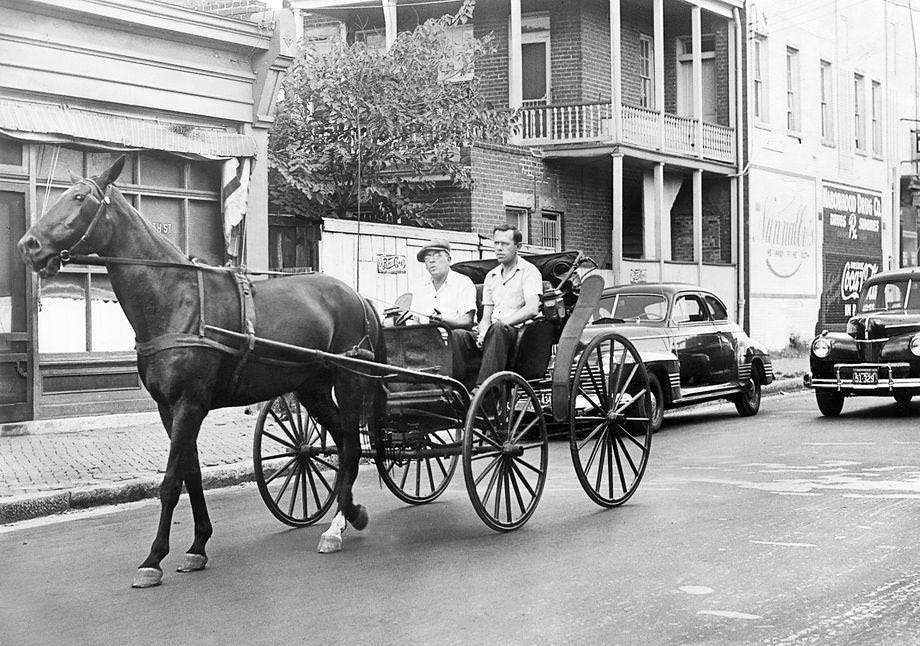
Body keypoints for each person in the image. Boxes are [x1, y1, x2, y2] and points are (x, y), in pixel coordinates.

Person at [452, 224, 542, 388]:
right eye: (496, 243)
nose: (499, 248)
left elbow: (532, 308)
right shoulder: (491, 276)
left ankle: (484, 391)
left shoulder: (529, 272)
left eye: (505, 244)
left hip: (517, 333)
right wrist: (484, 331)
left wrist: (500, 324)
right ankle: (458, 389)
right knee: (459, 335)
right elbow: (486, 316)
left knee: (498, 329)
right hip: (493, 331)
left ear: (518, 247)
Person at [410, 238, 477, 331]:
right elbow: (415, 321)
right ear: (425, 265)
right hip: (425, 339)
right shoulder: (419, 286)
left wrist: (443, 320)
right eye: (427, 257)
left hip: (453, 337)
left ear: (449, 260)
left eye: (437, 256)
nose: (431, 260)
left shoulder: (462, 282)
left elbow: (467, 320)